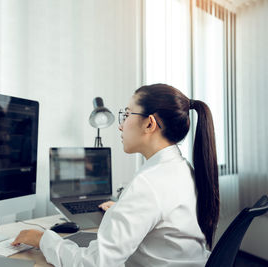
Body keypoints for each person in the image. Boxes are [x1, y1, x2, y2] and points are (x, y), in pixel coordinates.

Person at [12, 83, 220, 267]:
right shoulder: (180, 168)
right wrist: (123, 208)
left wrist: (43, 239)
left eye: (127, 114)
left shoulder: (149, 183)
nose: (120, 125)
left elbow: (94, 264)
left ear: (149, 124)